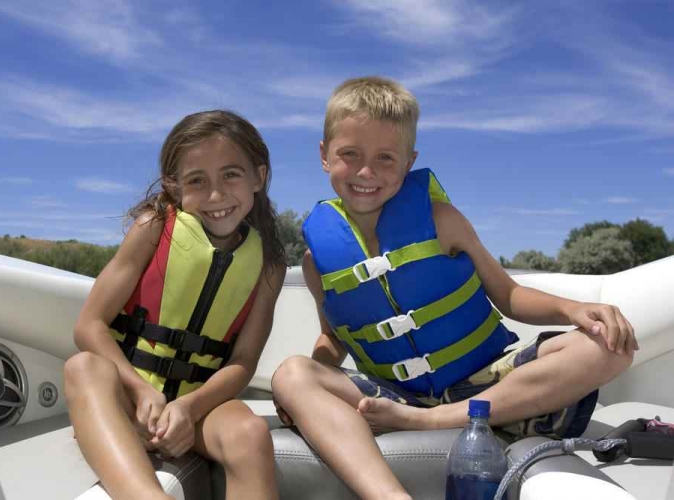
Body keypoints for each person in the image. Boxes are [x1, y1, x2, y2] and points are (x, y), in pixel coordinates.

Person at [271, 76, 637, 500]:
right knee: (290, 374)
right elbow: (333, 340)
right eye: (349, 155)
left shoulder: (442, 219)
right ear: (324, 155)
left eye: (385, 158)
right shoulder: (319, 262)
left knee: (608, 347)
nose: (366, 172)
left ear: (409, 162)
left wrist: (573, 310)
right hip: (393, 396)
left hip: (484, 385)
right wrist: (303, 389)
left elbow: (508, 295)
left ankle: (435, 420)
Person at [65, 110, 286, 500]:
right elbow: (89, 325)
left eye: (231, 174)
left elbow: (244, 361)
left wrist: (189, 408)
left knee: (250, 434)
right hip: (128, 395)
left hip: (199, 408)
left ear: (258, 176)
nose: (216, 195)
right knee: (82, 367)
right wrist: (140, 392)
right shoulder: (152, 226)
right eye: (197, 180)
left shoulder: (269, 264)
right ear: (174, 186)